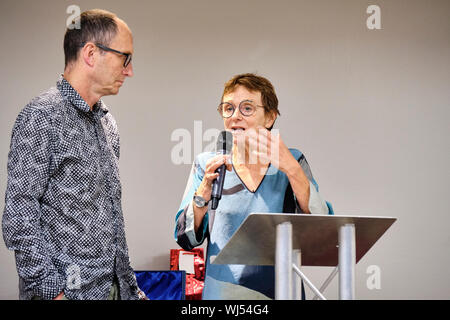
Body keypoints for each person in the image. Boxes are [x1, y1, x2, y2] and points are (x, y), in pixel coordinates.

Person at [2, 9, 146, 300]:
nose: (129, 70)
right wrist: (54, 294)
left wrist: (130, 288)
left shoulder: (107, 122)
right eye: (125, 58)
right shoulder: (41, 116)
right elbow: (19, 217)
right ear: (91, 53)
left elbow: (111, 219)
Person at [174, 73, 334, 299]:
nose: (235, 116)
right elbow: (186, 239)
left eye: (247, 108)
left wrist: (291, 169)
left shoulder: (293, 161)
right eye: (228, 108)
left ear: (269, 117)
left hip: (281, 292)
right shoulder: (207, 164)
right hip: (223, 294)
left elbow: (321, 226)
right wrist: (202, 196)